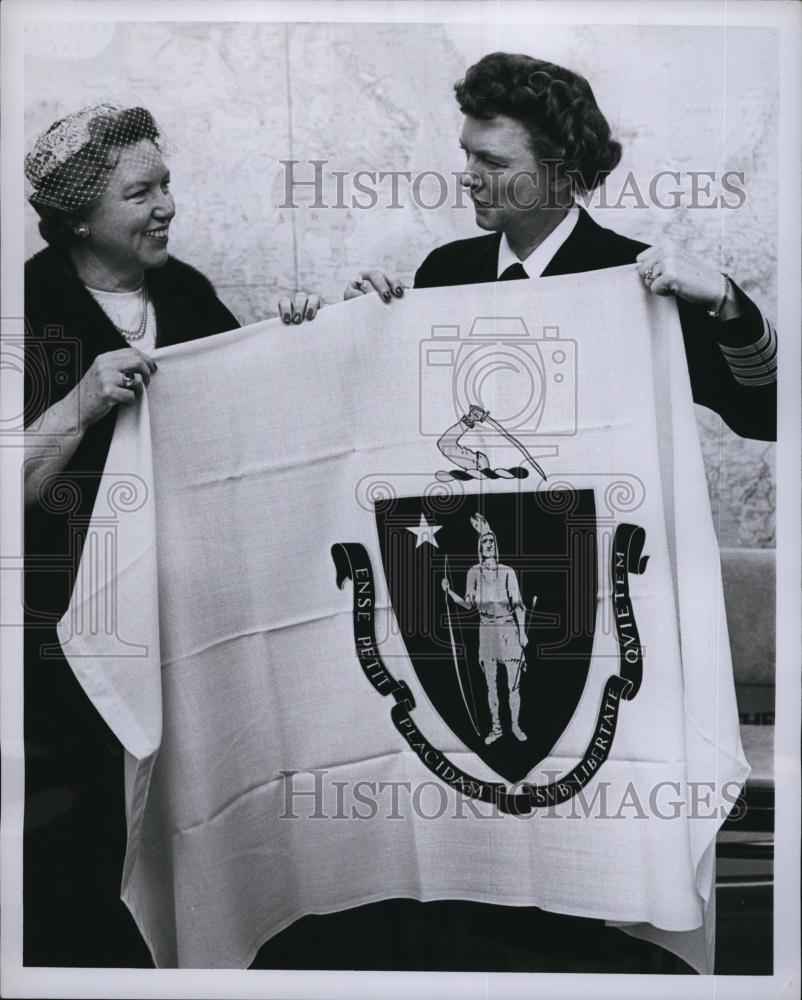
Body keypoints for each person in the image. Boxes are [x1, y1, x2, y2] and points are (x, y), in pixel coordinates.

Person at [22, 103, 319, 966]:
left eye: (167, 185)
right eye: (139, 192)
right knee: (82, 853)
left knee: (195, 826)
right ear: (77, 214)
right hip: (67, 651)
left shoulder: (185, 292)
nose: (167, 207)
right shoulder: (24, 309)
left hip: (192, 631)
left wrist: (298, 341)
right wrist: (79, 403)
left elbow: (258, 440)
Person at [345, 52, 777, 444]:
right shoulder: (445, 271)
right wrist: (358, 333)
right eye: (467, 154)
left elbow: (767, 417)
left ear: (562, 174)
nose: (466, 176)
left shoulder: (641, 281)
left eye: (493, 162)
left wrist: (726, 300)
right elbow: (403, 425)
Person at [442, 514, 530, 744]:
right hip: (487, 629)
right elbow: (469, 604)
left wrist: (523, 633)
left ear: (496, 546)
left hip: (508, 628)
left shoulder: (508, 571)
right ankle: (496, 728)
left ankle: (515, 726)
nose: (488, 545)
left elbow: (519, 606)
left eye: (491, 541)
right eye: (484, 542)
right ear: (479, 548)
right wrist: (450, 592)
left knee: (513, 684)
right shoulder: (473, 572)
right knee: (491, 685)